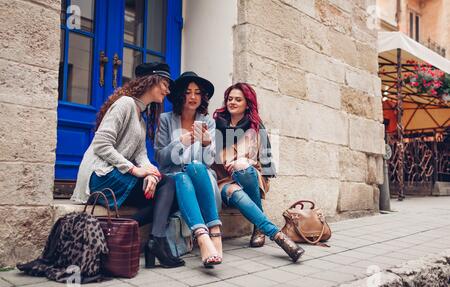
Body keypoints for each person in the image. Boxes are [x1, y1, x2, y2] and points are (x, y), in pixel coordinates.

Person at [71, 62, 185, 269]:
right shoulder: (124, 104)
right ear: (151, 81)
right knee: (167, 186)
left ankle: (148, 238)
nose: (168, 90)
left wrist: (150, 174)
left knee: (172, 193)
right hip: (99, 174)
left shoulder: (140, 118)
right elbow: (101, 144)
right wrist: (134, 170)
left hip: (115, 173)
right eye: (165, 83)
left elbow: (141, 155)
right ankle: (154, 242)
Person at [212, 83, 305, 262]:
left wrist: (247, 160)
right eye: (230, 99)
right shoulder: (217, 124)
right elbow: (210, 156)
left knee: (242, 168)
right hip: (223, 180)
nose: (232, 102)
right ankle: (268, 231)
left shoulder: (255, 126)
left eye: (238, 99)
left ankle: (260, 227)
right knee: (233, 189)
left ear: (247, 103)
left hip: (249, 175)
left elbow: (266, 162)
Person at [154, 72, 223, 268]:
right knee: (183, 177)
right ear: (179, 96)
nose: (193, 97)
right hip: (174, 178)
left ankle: (213, 234)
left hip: (201, 177)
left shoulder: (208, 122)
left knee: (195, 166)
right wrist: (181, 142)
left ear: (202, 97)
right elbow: (160, 158)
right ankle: (205, 238)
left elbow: (208, 162)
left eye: (197, 93)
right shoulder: (166, 120)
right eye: (188, 92)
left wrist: (206, 144)